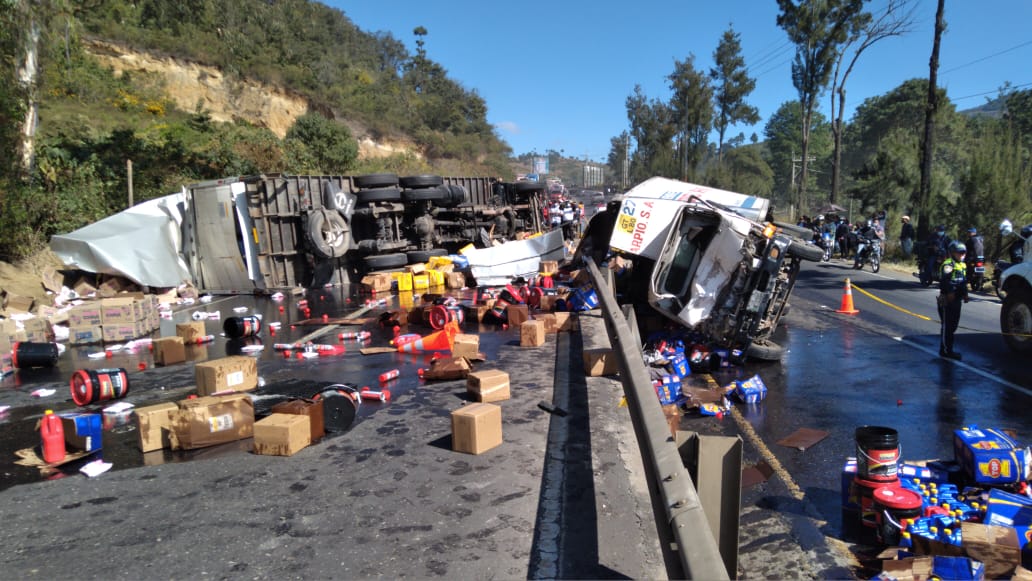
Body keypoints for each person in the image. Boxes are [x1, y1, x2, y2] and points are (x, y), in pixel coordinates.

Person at [937, 241, 969, 360]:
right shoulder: (948, 264)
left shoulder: (963, 265)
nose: (962, 255)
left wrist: (965, 294)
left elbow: (963, 282)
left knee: (953, 326)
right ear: (952, 253)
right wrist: (950, 292)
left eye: (963, 253)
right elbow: (945, 280)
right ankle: (945, 350)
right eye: (959, 253)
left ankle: (948, 348)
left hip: (957, 299)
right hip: (947, 299)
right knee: (947, 326)